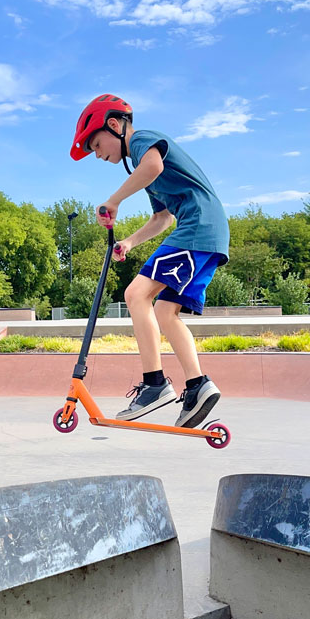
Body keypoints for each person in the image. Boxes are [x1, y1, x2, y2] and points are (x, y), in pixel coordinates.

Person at [70, 94, 228, 428]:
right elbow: (163, 219)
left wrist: (114, 200)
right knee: (164, 311)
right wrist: (129, 241)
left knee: (135, 294)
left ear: (114, 126)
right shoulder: (145, 171)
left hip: (197, 228)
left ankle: (155, 384)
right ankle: (198, 385)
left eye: (97, 145)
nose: (98, 155)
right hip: (210, 235)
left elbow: (152, 166)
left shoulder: (141, 141)